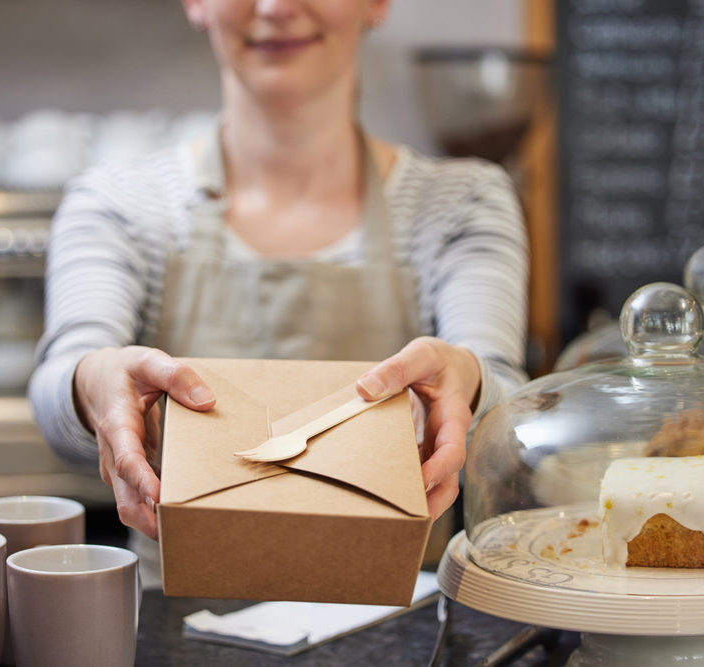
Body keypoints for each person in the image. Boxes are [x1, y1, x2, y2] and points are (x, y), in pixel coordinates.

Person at [29, 0, 529, 572]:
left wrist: (469, 385)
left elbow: (509, 414)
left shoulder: (462, 203)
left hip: (397, 617)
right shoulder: (119, 204)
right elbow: (59, 388)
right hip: (174, 619)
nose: (276, 7)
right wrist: (91, 382)